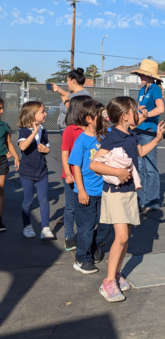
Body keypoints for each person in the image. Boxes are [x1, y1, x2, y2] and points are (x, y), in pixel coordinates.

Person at [90, 97, 165, 302]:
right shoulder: (113, 137)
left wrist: (156, 139)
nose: (139, 113)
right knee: (122, 237)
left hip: (130, 192)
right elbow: (94, 165)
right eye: (135, 111)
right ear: (125, 116)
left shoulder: (131, 134)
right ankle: (108, 283)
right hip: (115, 193)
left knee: (125, 238)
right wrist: (117, 172)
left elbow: (139, 153)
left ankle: (116, 274)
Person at [69, 100, 109, 274]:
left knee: (105, 225)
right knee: (86, 227)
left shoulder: (106, 135)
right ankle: (81, 258)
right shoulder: (82, 141)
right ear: (89, 119)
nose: (106, 118)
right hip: (87, 192)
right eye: (102, 115)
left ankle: (93, 245)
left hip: (105, 191)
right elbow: (75, 166)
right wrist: (81, 190)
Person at [130, 59, 165, 213]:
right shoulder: (141, 90)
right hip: (139, 130)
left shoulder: (155, 88)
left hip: (149, 130)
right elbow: (140, 109)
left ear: (150, 76)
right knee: (140, 167)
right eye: (139, 74)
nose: (140, 76)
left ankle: (151, 202)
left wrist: (145, 115)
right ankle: (141, 201)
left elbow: (161, 108)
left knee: (150, 167)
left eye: (142, 74)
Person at [60, 95, 92, 250]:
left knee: (85, 207)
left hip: (87, 176)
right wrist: (67, 173)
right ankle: (68, 236)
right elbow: (65, 153)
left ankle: (84, 235)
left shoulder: (91, 130)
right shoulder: (70, 130)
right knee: (71, 207)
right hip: (71, 176)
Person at [17, 101, 53, 239]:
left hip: (42, 170)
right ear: (32, 114)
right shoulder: (24, 130)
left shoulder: (44, 130)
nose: (45, 114)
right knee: (28, 200)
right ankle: (27, 226)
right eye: (42, 112)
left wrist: (46, 150)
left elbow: (47, 149)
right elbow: (23, 147)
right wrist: (34, 132)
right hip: (27, 172)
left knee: (44, 199)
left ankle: (45, 228)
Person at [0, 97, 20, 232]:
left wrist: (16, 156)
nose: (1, 111)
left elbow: (8, 143)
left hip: (1, 160)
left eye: (2, 108)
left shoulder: (4, 126)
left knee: (1, 190)